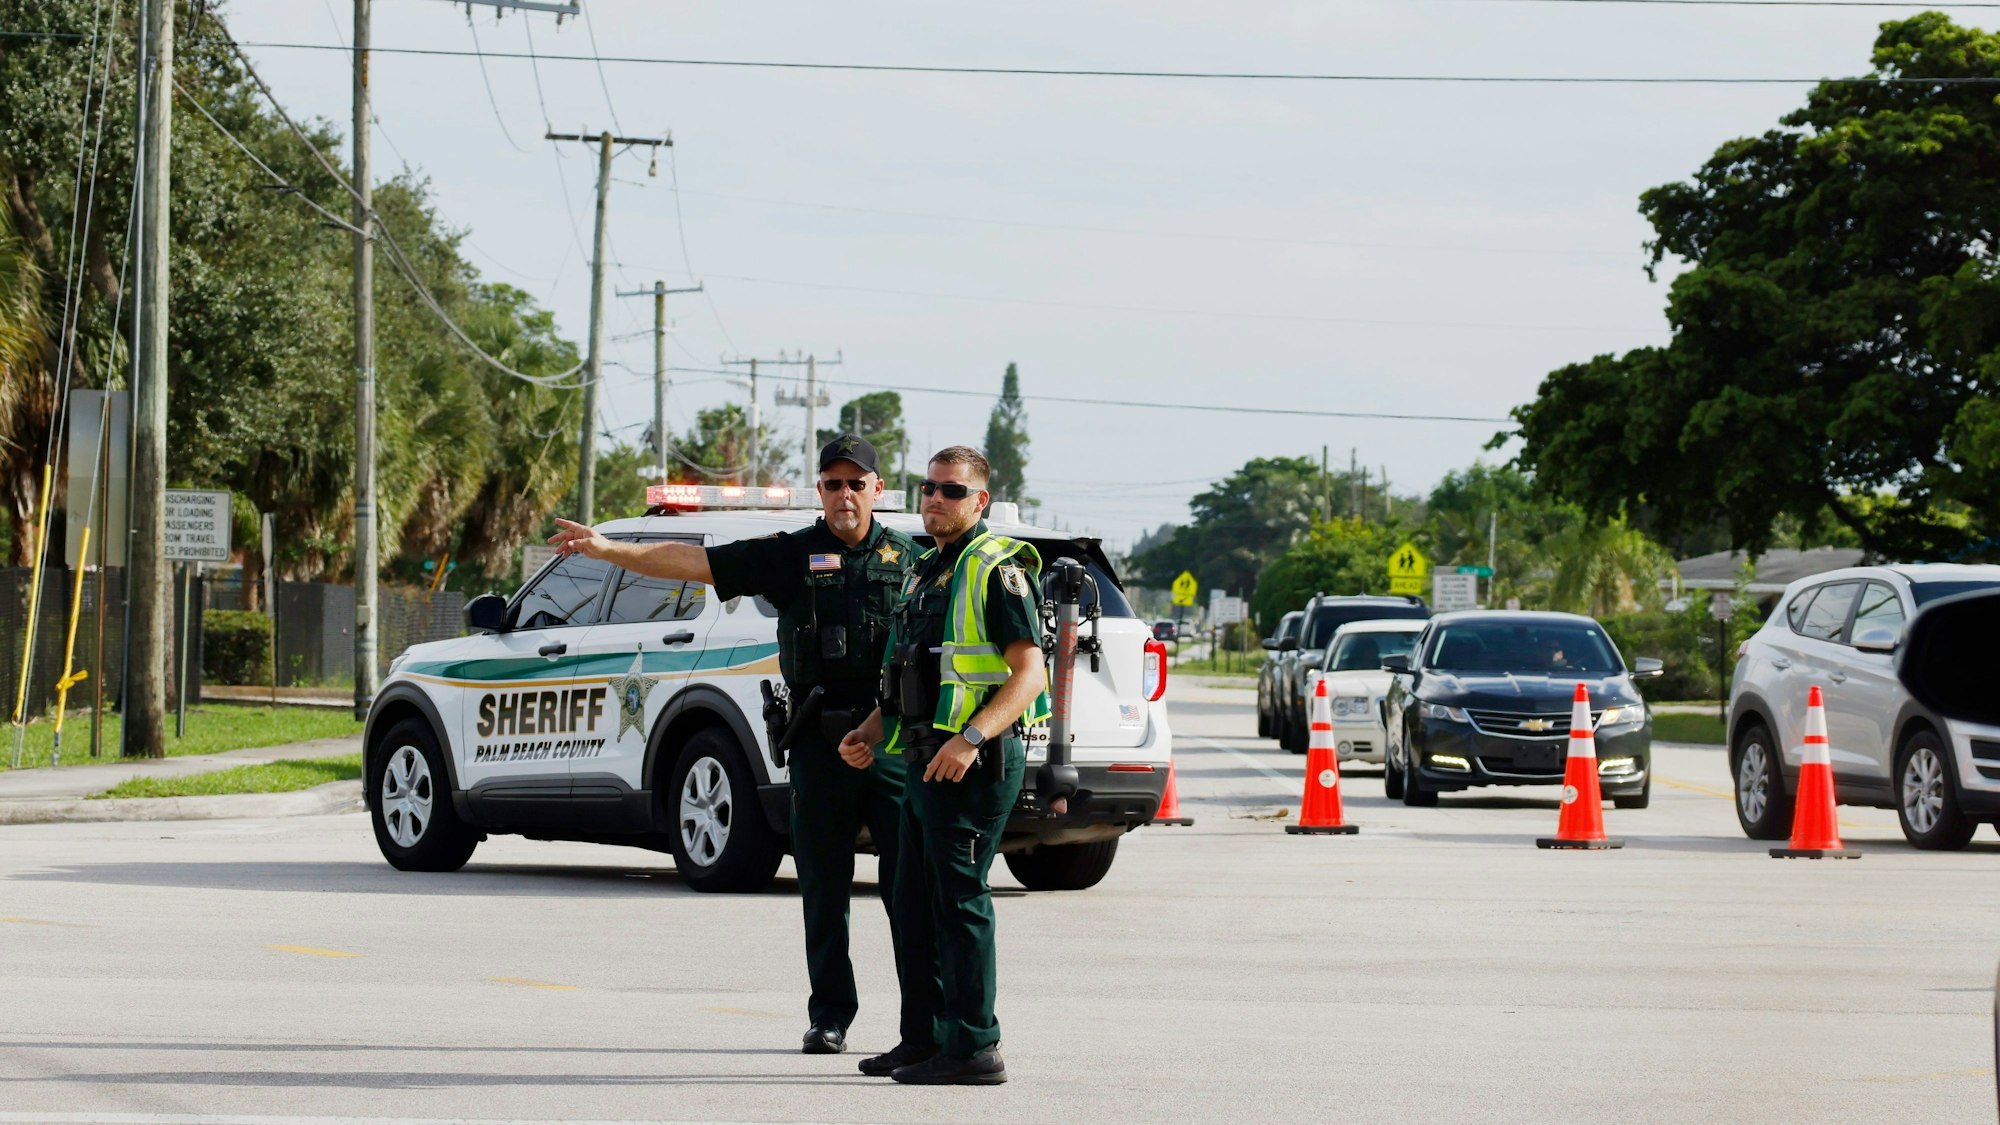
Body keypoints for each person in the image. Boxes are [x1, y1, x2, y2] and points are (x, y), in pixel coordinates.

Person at [546, 435, 923, 1058]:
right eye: (833, 483)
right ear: (820, 491)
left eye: (857, 483)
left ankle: (921, 1025)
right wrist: (610, 549)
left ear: (878, 489)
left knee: (908, 890)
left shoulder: (912, 560)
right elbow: (695, 563)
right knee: (823, 891)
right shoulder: (791, 554)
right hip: (818, 741)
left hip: (887, 742)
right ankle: (830, 1014)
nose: (845, 494)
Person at [837, 445, 1050, 1085]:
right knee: (911, 900)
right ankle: (924, 1039)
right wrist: (870, 732)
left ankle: (975, 1047)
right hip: (922, 757)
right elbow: (915, 674)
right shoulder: (927, 569)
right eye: (928, 487)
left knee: (958, 903)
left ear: (979, 501)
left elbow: (1028, 672)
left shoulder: (996, 567)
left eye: (952, 491)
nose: (935, 499)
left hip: (973, 764)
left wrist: (973, 738)